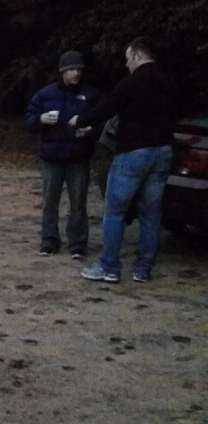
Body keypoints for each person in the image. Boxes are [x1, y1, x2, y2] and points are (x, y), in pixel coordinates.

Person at [70, 36, 176, 283]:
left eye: (128, 59)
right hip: (163, 151)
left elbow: (106, 108)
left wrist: (82, 121)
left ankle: (108, 266)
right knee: (151, 212)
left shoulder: (132, 82)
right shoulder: (170, 82)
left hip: (133, 152)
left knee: (115, 210)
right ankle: (143, 268)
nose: (127, 64)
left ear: (138, 56)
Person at [25, 51, 101, 259]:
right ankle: (49, 240)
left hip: (79, 156)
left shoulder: (91, 94)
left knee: (78, 202)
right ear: (62, 72)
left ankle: (77, 243)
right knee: (50, 201)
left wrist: (91, 130)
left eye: (78, 69)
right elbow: (29, 121)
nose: (76, 73)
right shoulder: (45, 94)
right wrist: (40, 119)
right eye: (71, 69)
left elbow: (102, 121)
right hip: (52, 156)